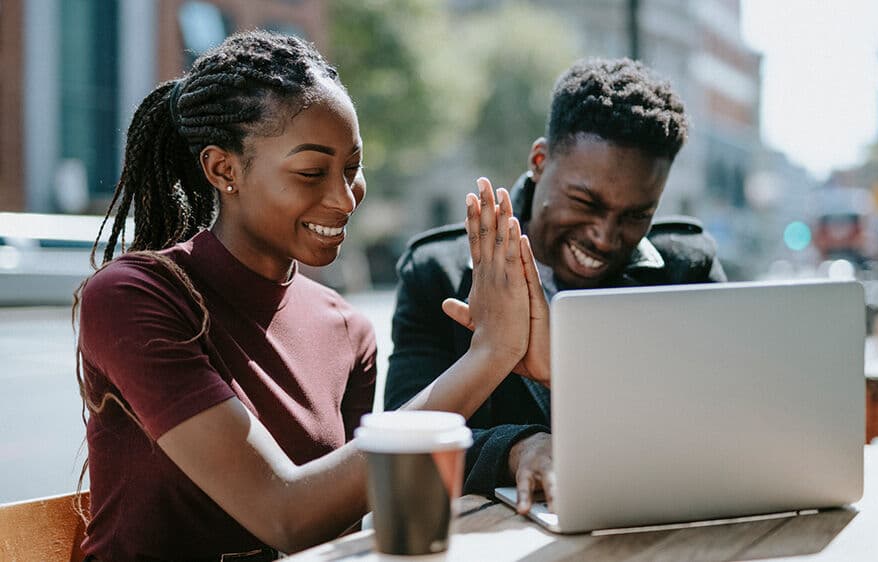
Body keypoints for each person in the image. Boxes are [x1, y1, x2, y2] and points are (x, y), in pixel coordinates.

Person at [75, 31, 541, 561]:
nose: (344, 199)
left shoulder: (348, 329)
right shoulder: (134, 297)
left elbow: (339, 527)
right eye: (312, 172)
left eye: (352, 168)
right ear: (222, 169)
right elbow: (286, 515)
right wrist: (489, 355)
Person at [384, 58, 727, 514]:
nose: (605, 237)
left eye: (635, 216)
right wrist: (515, 448)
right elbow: (402, 438)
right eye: (585, 202)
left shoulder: (688, 269)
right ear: (540, 161)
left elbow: (721, 421)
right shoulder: (437, 275)